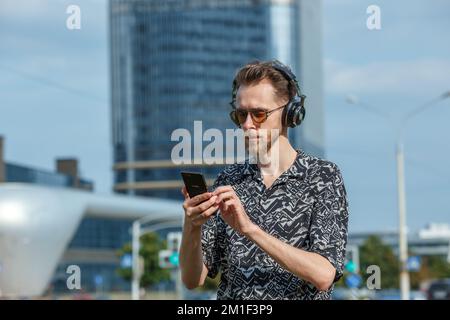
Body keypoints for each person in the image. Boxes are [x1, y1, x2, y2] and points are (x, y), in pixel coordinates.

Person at [179, 60, 349, 300]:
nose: (247, 125)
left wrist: (249, 229)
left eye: (259, 114)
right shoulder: (229, 179)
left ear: (291, 113)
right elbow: (191, 280)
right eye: (241, 114)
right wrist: (192, 226)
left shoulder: (323, 176)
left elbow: (323, 274)